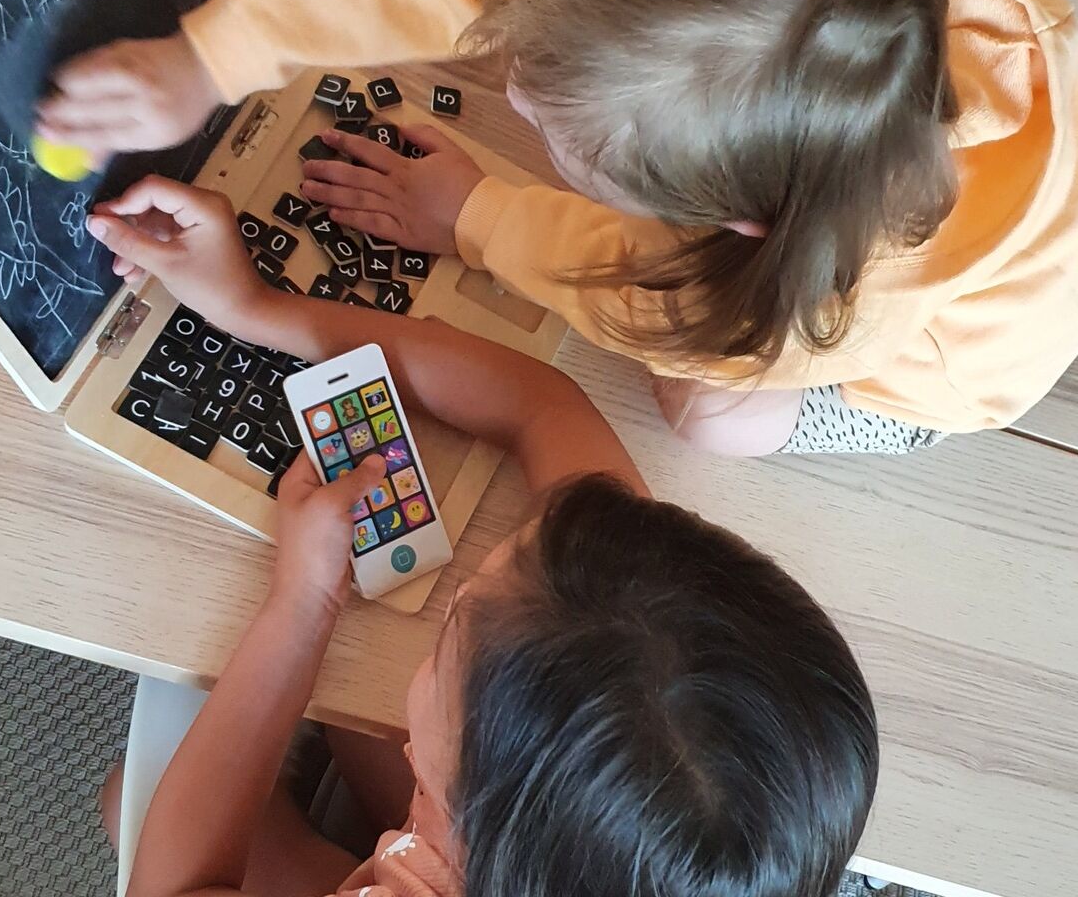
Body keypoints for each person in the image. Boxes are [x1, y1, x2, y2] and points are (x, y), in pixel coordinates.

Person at [39, 0, 1078, 457]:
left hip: (951, 362)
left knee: (704, 414)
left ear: (734, 222)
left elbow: (639, 288)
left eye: (554, 123)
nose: (516, 97)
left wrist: (475, 217)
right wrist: (205, 56)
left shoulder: (812, 291)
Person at [87, 176, 878, 897]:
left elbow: (175, 885)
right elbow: (542, 402)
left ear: (467, 814)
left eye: (459, 614)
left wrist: (303, 603)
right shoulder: (640, 620)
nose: (457, 596)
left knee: (135, 796)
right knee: (353, 725)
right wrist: (257, 309)